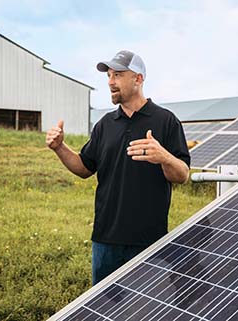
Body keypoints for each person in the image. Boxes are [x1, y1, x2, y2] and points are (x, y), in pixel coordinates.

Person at [46, 50, 190, 285]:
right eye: (109, 76)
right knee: (103, 308)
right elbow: (84, 168)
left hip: (148, 241)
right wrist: (60, 148)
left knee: (146, 310)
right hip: (105, 240)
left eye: (118, 75)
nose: (111, 82)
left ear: (138, 79)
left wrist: (164, 157)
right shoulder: (105, 125)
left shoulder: (166, 121)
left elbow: (182, 174)